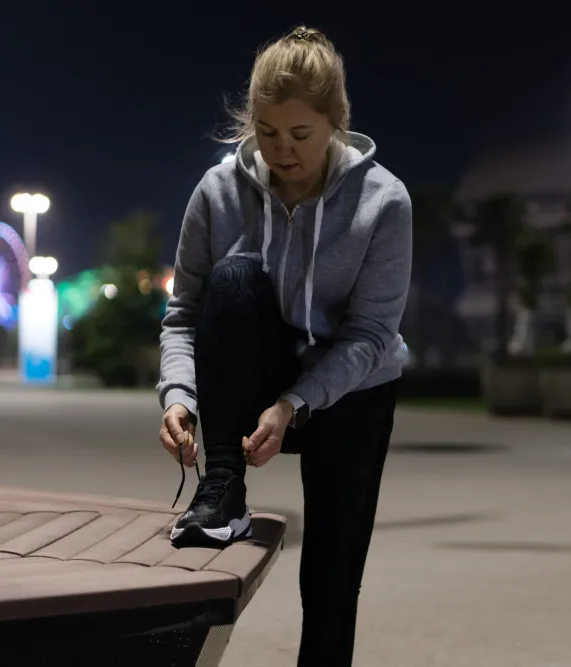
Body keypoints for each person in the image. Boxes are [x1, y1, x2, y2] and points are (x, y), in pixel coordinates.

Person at [155, 25, 412, 666]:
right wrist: (179, 395)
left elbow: (371, 335)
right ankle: (223, 491)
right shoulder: (218, 191)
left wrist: (295, 403)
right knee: (236, 276)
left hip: (350, 388)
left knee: (330, 578)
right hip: (254, 377)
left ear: (335, 124)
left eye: (300, 135)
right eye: (268, 133)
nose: (282, 150)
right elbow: (184, 313)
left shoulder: (384, 202)